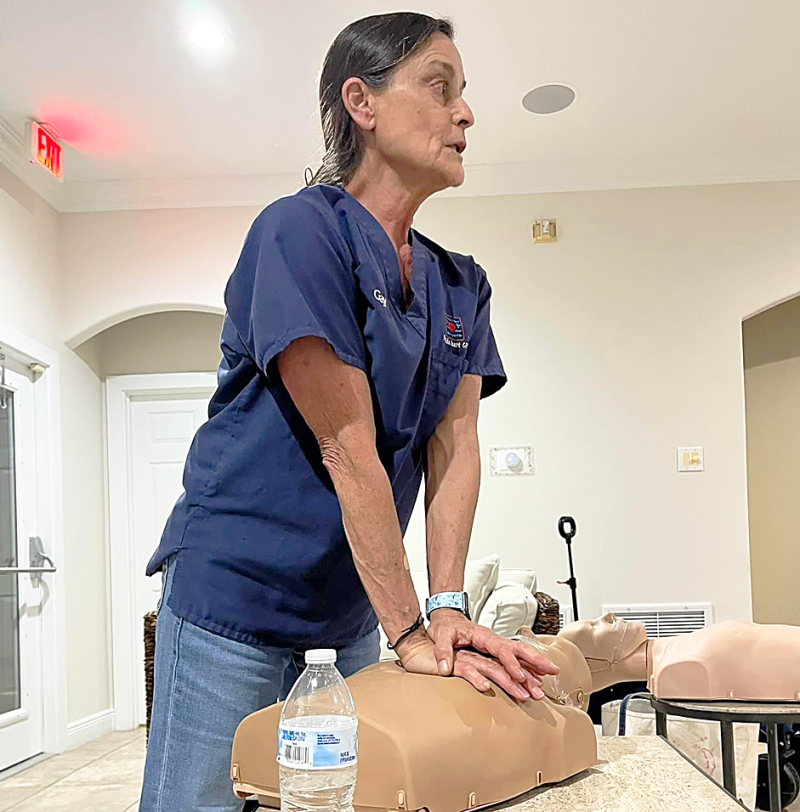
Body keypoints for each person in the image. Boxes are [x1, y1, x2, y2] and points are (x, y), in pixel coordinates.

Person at [139, 12, 558, 812]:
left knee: (336, 800)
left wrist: (444, 609)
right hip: (235, 600)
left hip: (348, 614)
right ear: (361, 102)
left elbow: (456, 448)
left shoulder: (462, 284)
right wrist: (411, 634)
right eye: (441, 87)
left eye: (464, 94)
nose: (465, 113)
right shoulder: (297, 232)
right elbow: (347, 449)